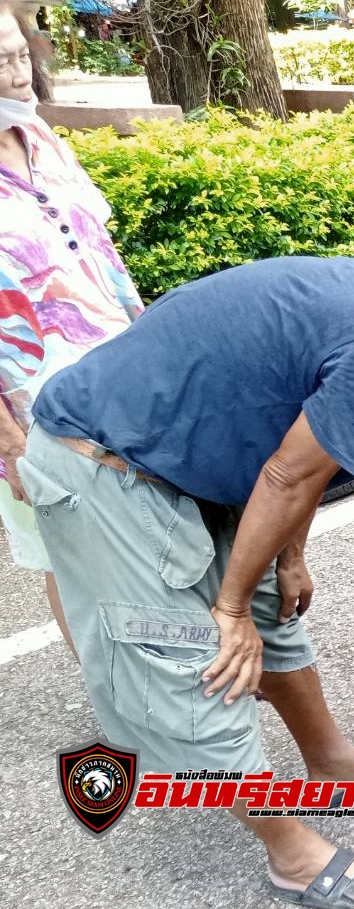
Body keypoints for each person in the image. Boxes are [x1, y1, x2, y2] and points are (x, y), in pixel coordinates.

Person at [19, 225, 354, 909]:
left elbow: (305, 454)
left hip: (175, 459)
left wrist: (288, 555)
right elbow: (286, 472)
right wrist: (228, 610)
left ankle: (329, 758)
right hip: (105, 464)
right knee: (199, 665)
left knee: (273, 611)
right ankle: (291, 854)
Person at [0, 3, 142, 657]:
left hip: (112, 371)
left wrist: (148, 343)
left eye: (19, 54)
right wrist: (8, 442)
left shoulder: (42, 140)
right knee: (66, 546)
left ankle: (162, 669)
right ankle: (110, 681)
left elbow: (101, 253)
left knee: (142, 527)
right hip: (32, 398)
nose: (17, 75)